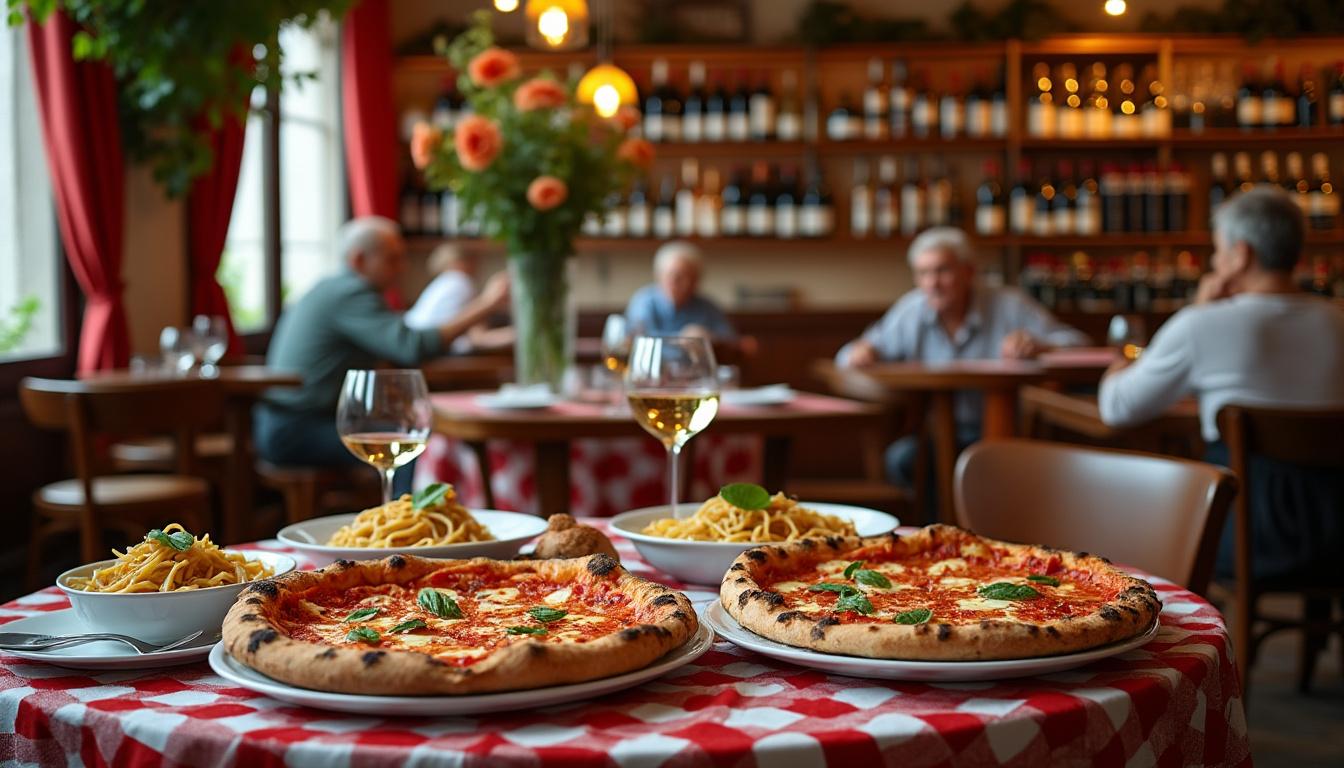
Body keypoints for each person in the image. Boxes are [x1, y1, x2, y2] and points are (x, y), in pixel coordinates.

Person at [1099, 187, 1344, 581]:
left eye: (1217, 250)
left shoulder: (1203, 325)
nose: (1214, 261)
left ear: (1241, 255)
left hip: (1244, 534)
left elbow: (1118, 407)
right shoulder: (1337, 320)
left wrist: (1118, 363)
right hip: (1335, 531)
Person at [256, 217, 509, 493]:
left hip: (292, 421)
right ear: (359, 259)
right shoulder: (349, 294)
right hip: (296, 429)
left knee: (416, 435)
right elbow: (411, 347)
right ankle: (410, 529)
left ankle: (410, 521)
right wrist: (487, 304)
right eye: (393, 259)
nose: (402, 269)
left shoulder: (333, 288)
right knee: (420, 445)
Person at [836, 226, 1089, 490]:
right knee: (903, 461)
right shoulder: (912, 310)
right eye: (923, 273)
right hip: (934, 436)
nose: (932, 283)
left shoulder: (1009, 304)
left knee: (999, 472)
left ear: (969, 272)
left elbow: (1079, 345)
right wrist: (862, 352)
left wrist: (1041, 346)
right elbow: (848, 356)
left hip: (1006, 433)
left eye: (942, 271)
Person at [404, 244, 513, 352]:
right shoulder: (460, 281)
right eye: (471, 260)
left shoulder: (443, 282)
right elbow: (479, 338)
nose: (476, 266)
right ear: (458, 262)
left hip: (411, 343)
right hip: (427, 351)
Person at [624, 241, 737, 340]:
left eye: (691, 277)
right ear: (659, 276)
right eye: (677, 277)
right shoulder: (644, 302)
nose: (686, 284)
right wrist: (683, 340)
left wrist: (710, 338)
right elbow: (643, 344)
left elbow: (730, 341)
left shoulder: (707, 307)